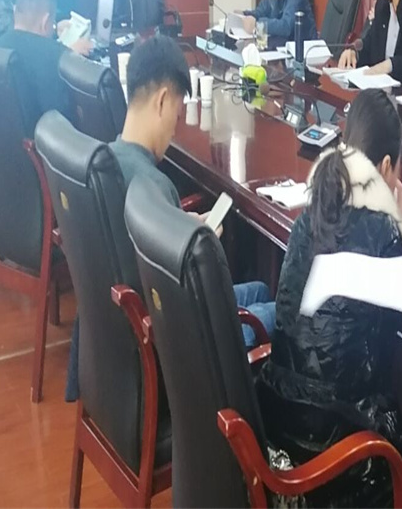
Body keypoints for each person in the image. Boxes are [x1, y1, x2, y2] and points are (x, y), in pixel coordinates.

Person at [66, 34, 276, 402]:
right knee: (279, 316)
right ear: (163, 100)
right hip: (171, 351)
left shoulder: (104, 163)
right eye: (177, 115)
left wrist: (181, 225)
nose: (175, 129)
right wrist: (201, 244)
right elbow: (185, 293)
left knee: (258, 290)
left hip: (114, 351)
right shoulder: (153, 185)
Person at [256, 89, 402, 505]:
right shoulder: (382, 233)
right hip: (344, 462)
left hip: (284, 439)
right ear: (387, 167)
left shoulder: (311, 213)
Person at [0, 0, 89, 131]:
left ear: (15, 10)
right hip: (44, 146)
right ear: (45, 21)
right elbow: (68, 129)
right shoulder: (57, 61)